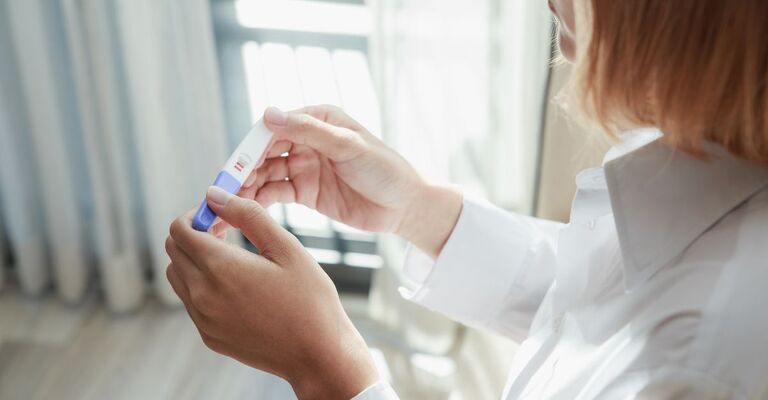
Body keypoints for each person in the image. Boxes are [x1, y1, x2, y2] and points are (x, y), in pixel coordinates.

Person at [164, 0, 768, 398]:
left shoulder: (714, 359)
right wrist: (416, 209)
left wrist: (325, 365)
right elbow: (596, 304)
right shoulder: (712, 160)